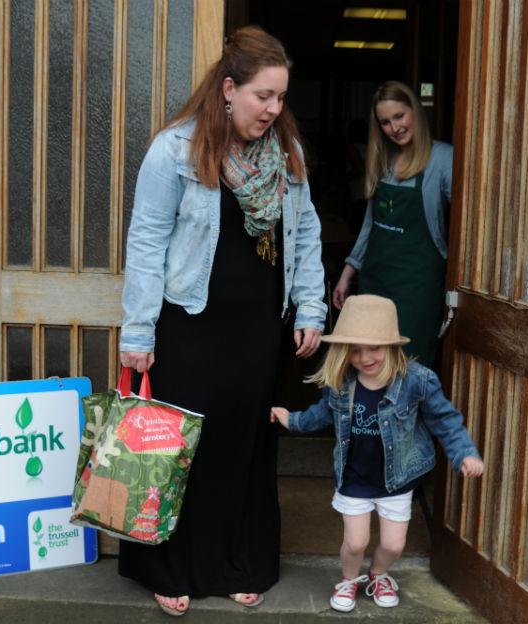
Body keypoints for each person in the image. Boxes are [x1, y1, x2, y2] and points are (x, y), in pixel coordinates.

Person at [117, 26, 326, 617]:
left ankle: (239, 561)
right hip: (190, 325)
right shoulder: (175, 150)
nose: (274, 109)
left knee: (244, 447)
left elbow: (304, 230)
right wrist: (138, 332)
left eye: (281, 98)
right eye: (264, 96)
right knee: (184, 449)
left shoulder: (287, 153)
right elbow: (147, 240)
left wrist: (311, 305)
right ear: (229, 89)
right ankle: (171, 567)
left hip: (258, 328)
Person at [270, 294, 483, 613]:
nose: (364, 357)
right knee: (355, 542)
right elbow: (321, 414)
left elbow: (445, 420)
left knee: (393, 544)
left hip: (397, 479)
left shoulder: (417, 380)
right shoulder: (342, 382)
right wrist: (293, 420)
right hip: (355, 477)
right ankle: (347, 579)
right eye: (355, 349)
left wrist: (464, 452)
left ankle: (379, 574)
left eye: (373, 348)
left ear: (392, 345)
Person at [332, 81, 452, 369]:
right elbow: (370, 224)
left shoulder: (443, 159)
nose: (394, 127)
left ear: (415, 111)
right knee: (369, 364)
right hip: (376, 280)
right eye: (385, 122)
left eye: (400, 116)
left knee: (408, 366)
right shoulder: (384, 159)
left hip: (418, 286)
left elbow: (471, 218)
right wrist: (349, 270)